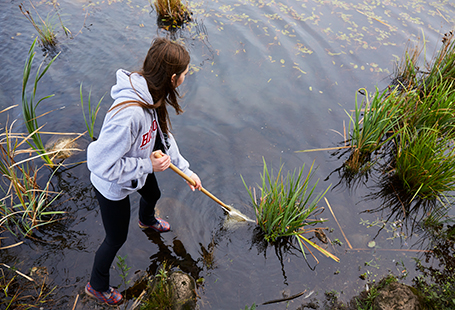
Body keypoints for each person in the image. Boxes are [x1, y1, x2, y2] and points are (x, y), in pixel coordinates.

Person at [85, 37, 202, 306]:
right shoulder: (130, 114)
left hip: (138, 167)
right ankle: (97, 285)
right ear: (173, 77)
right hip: (112, 184)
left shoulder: (154, 93)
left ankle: (146, 220)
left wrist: (186, 170)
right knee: (116, 238)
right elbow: (99, 164)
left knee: (154, 192)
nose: (186, 78)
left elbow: (163, 138)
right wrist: (147, 165)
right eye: (185, 74)